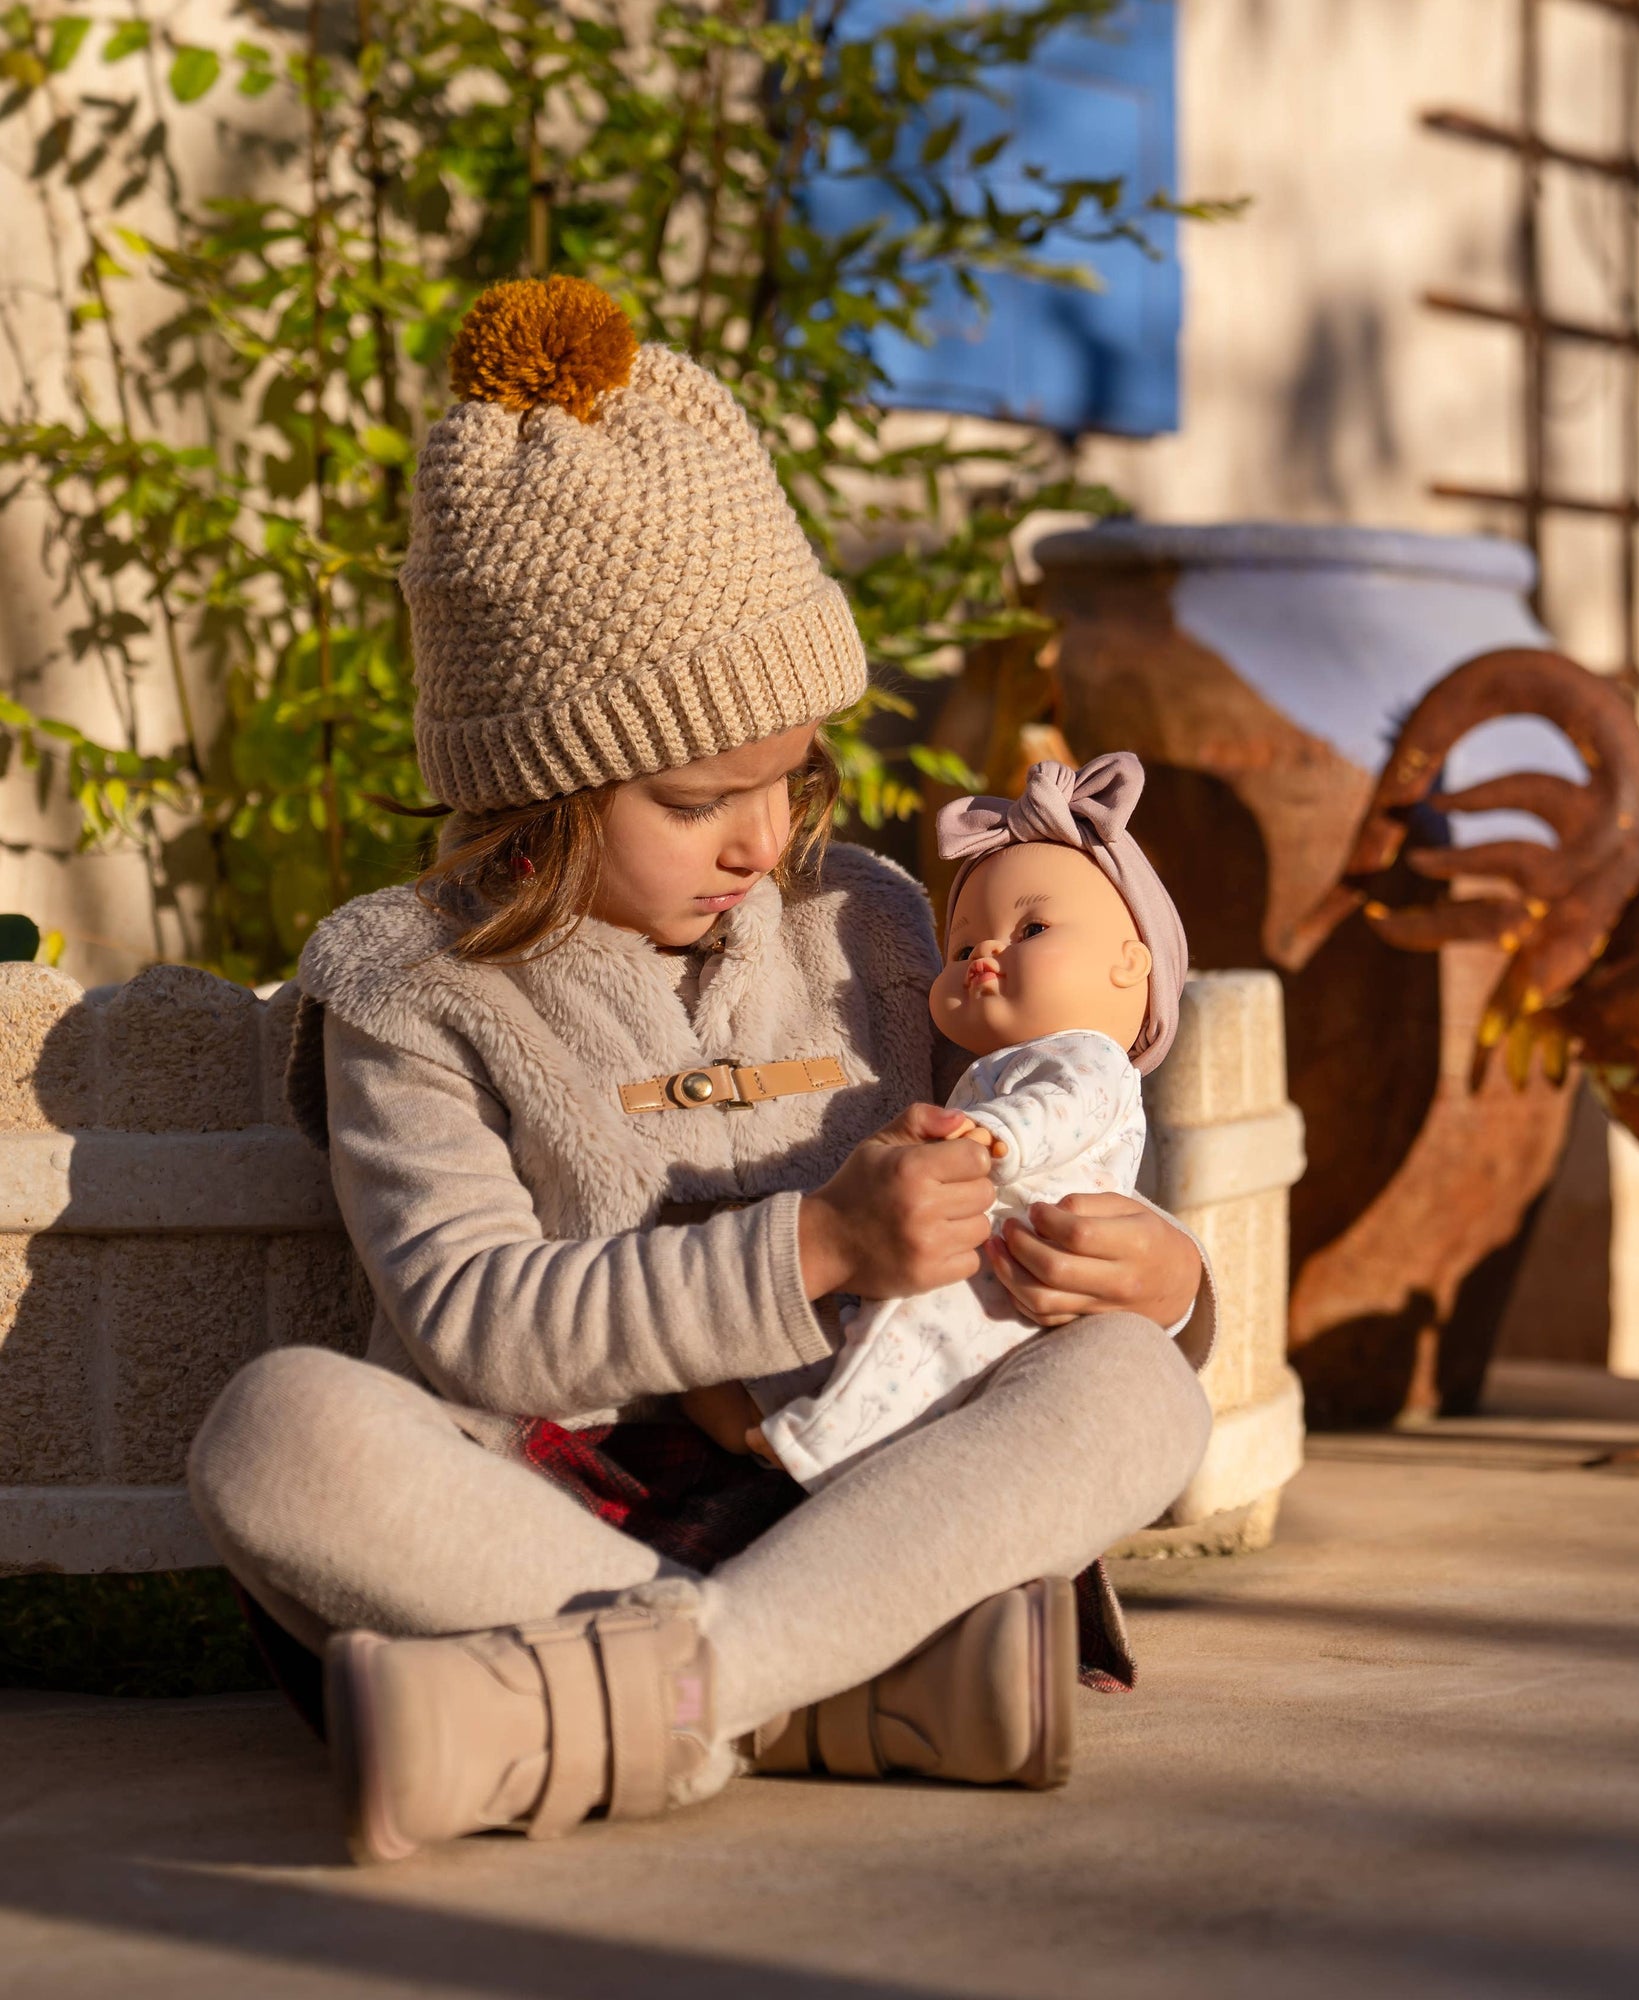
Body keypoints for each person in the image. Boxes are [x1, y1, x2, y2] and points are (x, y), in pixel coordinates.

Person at [186, 274, 1213, 1866]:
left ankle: (638, 1703)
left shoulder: (866, 925)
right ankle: (826, 1682)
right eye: (693, 797)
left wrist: (1147, 1272)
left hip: (868, 1482)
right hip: (547, 1514)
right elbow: (472, 1317)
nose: (760, 838)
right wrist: (819, 1245)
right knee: (273, 1430)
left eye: (790, 777)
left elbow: (1029, 1155)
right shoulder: (409, 989)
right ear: (538, 786)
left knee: (1137, 1386)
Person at [720, 752, 1189, 1492]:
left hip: (1014, 1258)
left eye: (1031, 929)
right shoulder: (989, 1061)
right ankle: (803, 1418)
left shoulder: (1089, 1056)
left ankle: (819, 1441)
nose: (984, 954)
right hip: (973, 1238)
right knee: (885, 1333)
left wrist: (1000, 1134)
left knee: (919, 1338)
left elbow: (1062, 1110)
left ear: (1131, 963)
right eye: (964, 945)